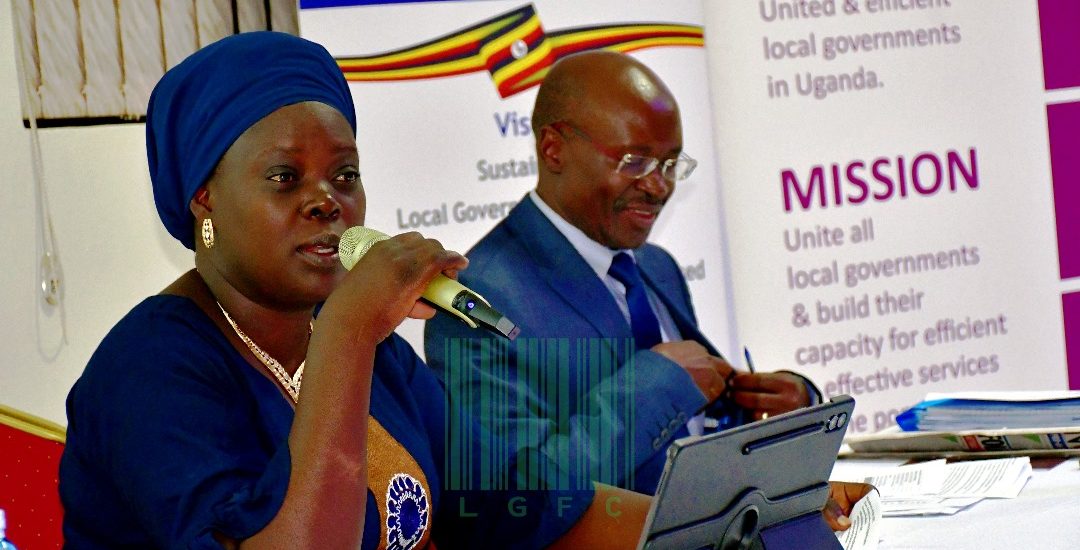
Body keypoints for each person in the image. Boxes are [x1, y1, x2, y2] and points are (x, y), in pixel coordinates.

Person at [56, 32, 655, 549]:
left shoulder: (365, 345)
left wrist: (687, 523)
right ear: (203, 198)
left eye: (344, 175)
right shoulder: (148, 370)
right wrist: (349, 327)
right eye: (285, 177)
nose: (327, 201)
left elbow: (511, 508)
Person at [424, 50, 822, 495]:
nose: (658, 186)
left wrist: (788, 406)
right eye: (634, 162)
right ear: (554, 149)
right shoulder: (478, 298)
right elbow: (520, 493)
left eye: (670, 165)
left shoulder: (656, 266)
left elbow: (696, 422)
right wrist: (661, 384)